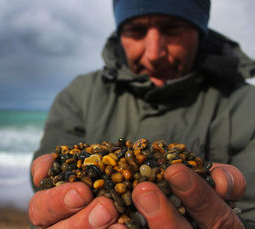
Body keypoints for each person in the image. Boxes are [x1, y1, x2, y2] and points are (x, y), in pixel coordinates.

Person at [29, 0, 255, 228]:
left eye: (172, 29)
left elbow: (249, 213)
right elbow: (46, 187)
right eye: (136, 30)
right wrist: (53, 210)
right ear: (121, 33)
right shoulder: (80, 95)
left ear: (199, 31)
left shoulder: (247, 106)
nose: (154, 53)